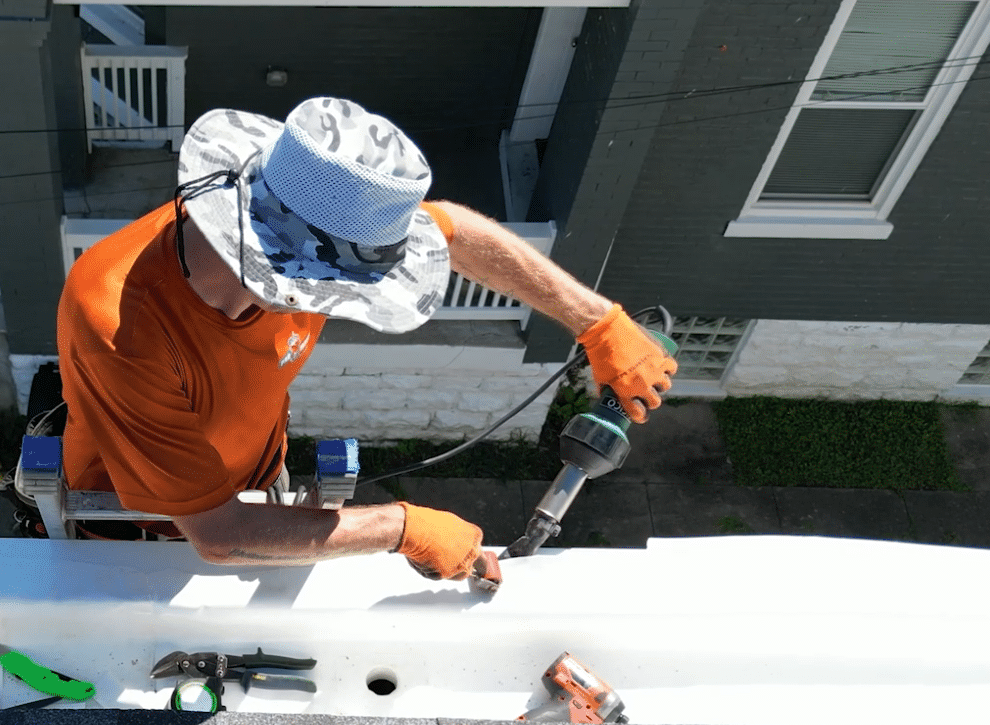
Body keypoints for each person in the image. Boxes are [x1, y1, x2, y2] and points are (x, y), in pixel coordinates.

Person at [55, 97, 675, 580]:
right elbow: (215, 534)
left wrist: (597, 322)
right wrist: (399, 526)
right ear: (282, 268)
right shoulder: (120, 323)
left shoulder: (322, 214)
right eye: (342, 288)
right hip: (138, 522)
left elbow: (454, 232)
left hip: (251, 478)